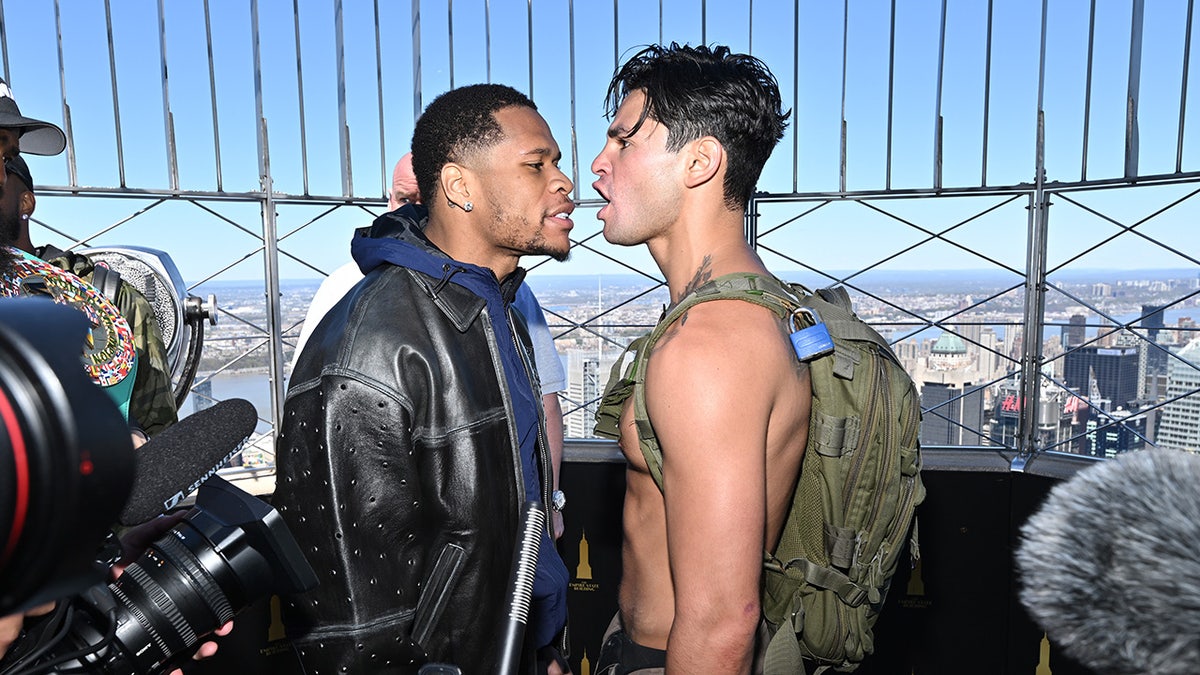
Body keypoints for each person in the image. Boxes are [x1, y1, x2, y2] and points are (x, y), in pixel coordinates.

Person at [275, 83, 574, 674]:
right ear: (461, 186)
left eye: (557, 164)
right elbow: (353, 622)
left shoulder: (496, 309)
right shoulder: (370, 345)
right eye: (537, 165)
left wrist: (544, 643)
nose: (564, 183)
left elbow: (519, 510)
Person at [589, 44, 805, 673]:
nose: (598, 164)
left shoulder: (710, 345)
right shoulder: (740, 311)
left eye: (624, 141)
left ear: (700, 162)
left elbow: (720, 623)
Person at [290, 152, 570, 538]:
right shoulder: (344, 288)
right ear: (389, 201)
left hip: (512, 532)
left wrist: (548, 504)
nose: (416, 211)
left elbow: (546, 404)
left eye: (426, 199)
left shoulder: (510, 291)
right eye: (405, 199)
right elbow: (310, 416)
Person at [0, 80, 176, 441]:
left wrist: (131, 437)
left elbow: (163, 447)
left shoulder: (102, 297)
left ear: (27, 202)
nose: (1, 176)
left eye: (6, 160)